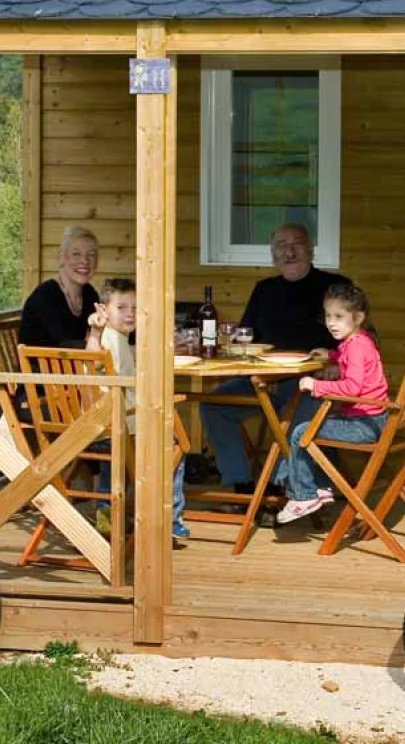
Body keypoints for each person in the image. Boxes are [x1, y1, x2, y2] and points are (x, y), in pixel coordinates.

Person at [200, 223, 351, 490]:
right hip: (265, 380)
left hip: (313, 382)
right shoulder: (264, 289)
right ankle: (241, 483)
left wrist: (336, 362)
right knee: (214, 407)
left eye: (297, 243)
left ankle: (280, 488)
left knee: (295, 419)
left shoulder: (335, 287)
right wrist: (257, 373)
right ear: (273, 254)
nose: (289, 251)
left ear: (311, 249)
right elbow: (245, 340)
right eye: (281, 245)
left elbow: (360, 337)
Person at [87, 278, 189, 542]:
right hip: (116, 428)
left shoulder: (119, 338)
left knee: (118, 470)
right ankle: (169, 521)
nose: (130, 313)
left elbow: (125, 356)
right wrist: (95, 333)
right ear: (103, 310)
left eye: (135, 307)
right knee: (175, 446)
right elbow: (93, 361)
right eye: (122, 307)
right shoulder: (106, 338)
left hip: (109, 427)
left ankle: (108, 519)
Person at [276, 284, 389, 524]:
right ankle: (321, 487)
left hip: (365, 425)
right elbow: (348, 359)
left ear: (358, 317)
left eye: (339, 316)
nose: (331, 323)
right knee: (316, 427)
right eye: (328, 316)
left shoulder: (357, 345)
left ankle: (303, 495)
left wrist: (315, 386)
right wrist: (330, 355)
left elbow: (352, 388)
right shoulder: (358, 341)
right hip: (371, 420)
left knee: (301, 432)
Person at [19, 225, 100, 348]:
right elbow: (65, 345)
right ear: (62, 257)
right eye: (76, 254)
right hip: (43, 366)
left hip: (75, 364)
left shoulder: (89, 294)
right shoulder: (45, 296)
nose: (85, 261)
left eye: (91, 255)